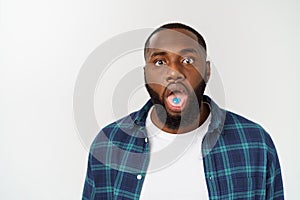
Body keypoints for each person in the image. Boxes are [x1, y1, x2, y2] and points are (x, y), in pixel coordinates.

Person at [82, 23, 284, 200]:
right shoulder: (108, 144)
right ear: (146, 73)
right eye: (160, 62)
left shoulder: (255, 142)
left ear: (207, 70)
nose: (174, 73)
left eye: (187, 60)